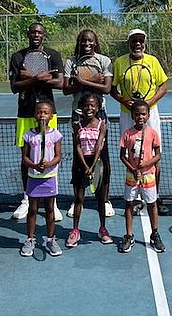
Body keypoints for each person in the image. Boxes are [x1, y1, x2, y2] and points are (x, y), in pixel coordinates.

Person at [9, 22, 64, 222]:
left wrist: (33, 77)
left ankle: (53, 201)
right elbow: (15, 86)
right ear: (28, 34)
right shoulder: (17, 57)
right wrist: (37, 78)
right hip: (25, 112)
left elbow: (60, 82)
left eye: (39, 32)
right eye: (32, 32)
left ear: (44, 35)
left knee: (51, 153)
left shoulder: (54, 55)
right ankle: (26, 198)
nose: (36, 35)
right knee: (26, 155)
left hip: (49, 112)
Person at [111, 28, 169, 215]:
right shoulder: (119, 62)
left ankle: (155, 196)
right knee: (130, 152)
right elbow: (112, 89)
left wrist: (148, 104)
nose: (137, 44)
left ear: (144, 43)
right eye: (134, 41)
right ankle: (135, 197)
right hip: (127, 114)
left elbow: (164, 86)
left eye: (140, 41)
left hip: (150, 113)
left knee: (153, 152)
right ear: (128, 43)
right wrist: (123, 101)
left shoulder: (152, 61)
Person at [62, 28, 115, 219]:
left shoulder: (104, 61)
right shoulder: (71, 62)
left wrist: (82, 80)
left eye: (90, 41)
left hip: (99, 116)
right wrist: (93, 80)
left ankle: (105, 199)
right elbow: (66, 89)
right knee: (79, 157)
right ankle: (78, 200)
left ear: (95, 42)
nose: (87, 44)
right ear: (79, 42)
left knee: (103, 157)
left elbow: (107, 88)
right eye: (83, 41)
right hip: (77, 116)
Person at [66, 93, 113, 247]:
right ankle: (75, 230)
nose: (89, 108)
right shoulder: (76, 125)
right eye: (86, 105)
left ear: (98, 108)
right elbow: (77, 145)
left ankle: (103, 229)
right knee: (79, 199)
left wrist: (92, 166)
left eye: (93, 105)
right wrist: (85, 167)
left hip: (99, 163)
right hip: (81, 165)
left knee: (101, 199)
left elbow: (99, 145)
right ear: (81, 107)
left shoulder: (102, 125)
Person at [118, 100, 165, 253]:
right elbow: (122, 156)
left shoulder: (152, 133)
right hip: (132, 176)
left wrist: (145, 165)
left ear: (148, 115)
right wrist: (132, 169)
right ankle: (129, 235)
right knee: (129, 204)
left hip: (148, 176)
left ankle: (155, 234)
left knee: (152, 204)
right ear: (132, 115)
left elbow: (157, 155)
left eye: (143, 114)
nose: (140, 117)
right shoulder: (127, 134)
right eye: (137, 114)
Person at [20, 100, 63, 257]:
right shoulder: (28, 135)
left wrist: (48, 164)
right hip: (34, 177)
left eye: (45, 112)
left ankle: (51, 239)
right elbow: (24, 158)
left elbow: (58, 156)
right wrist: (34, 165)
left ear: (51, 116)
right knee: (32, 209)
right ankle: (30, 239)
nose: (42, 115)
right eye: (39, 112)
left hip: (49, 177)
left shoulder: (55, 135)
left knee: (50, 209)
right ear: (34, 115)